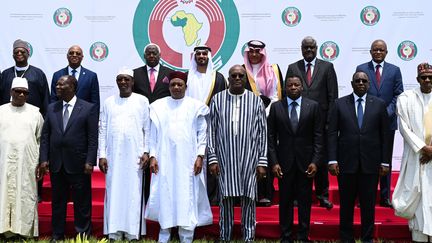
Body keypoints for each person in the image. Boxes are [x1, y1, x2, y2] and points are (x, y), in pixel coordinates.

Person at [145, 71, 212, 243]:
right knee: (165, 193)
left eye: (179, 84)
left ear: (185, 87)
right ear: (169, 87)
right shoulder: (159, 106)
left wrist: (200, 156)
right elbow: (153, 134)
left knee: (186, 194)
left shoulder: (195, 106)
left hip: (188, 161)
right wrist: (152, 156)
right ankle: (164, 234)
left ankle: (186, 235)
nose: (176, 87)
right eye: (173, 84)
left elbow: (202, 134)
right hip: (164, 159)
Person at [327, 71, 389, 243]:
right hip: (346, 164)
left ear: (368, 83)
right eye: (357, 81)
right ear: (352, 83)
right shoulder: (339, 104)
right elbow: (332, 133)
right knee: (346, 205)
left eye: (364, 81)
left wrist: (385, 161)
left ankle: (367, 238)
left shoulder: (379, 104)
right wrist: (332, 159)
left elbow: (385, 135)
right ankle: (346, 238)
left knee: (368, 206)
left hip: (371, 164)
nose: (361, 83)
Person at [208, 65, 267, 242]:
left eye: (241, 75)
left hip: (249, 159)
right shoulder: (217, 99)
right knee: (225, 198)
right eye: (233, 75)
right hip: (225, 158)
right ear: (228, 78)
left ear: (245, 78)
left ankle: (249, 236)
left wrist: (262, 162)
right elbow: (211, 131)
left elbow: (262, 133)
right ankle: (224, 235)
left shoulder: (255, 101)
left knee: (249, 199)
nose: (237, 78)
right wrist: (212, 158)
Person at [38, 75, 98, 241]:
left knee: (82, 203)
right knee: (58, 202)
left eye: (61, 84)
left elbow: (92, 138)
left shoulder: (87, 108)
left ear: (72, 87)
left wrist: (90, 161)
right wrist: (44, 158)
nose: (57, 87)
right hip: (57, 163)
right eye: (57, 84)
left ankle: (82, 235)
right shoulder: (52, 108)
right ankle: (57, 234)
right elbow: (45, 136)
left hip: (79, 164)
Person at [268, 74, 323, 243]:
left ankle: (303, 235)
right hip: (284, 164)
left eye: (296, 85)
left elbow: (318, 136)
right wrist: (274, 162)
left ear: (301, 87)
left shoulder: (313, 107)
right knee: (285, 202)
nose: (293, 87)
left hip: (306, 164)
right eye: (290, 85)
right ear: (285, 88)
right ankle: (286, 236)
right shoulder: (276, 107)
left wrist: (315, 161)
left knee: (305, 202)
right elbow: (270, 138)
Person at [285, 36, 338, 209]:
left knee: (320, 161)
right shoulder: (293, 67)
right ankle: (295, 196)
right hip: (297, 122)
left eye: (311, 48)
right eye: (305, 48)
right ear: (301, 49)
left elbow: (332, 96)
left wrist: (330, 122)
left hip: (320, 123)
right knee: (297, 159)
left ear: (317, 48)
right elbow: (287, 95)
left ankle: (322, 195)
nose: (308, 50)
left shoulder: (327, 67)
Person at [98, 68, 150, 241]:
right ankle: (114, 231)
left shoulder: (142, 101)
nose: (123, 82)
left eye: (126, 79)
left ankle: (132, 232)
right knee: (114, 191)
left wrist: (146, 152)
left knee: (133, 192)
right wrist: (102, 154)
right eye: (119, 79)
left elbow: (147, 129)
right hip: (113, 155)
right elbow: (103, 129)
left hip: (135, 156)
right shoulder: (109, 102)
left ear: (132, 82)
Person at [356, 39, 403, 208]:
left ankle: (384, 196)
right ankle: (363, 197)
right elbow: (359, 95)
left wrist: (384, 113)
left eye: (381, 50)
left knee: (385, 161)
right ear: (370, 52)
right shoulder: (362, 69)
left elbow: (398, 95)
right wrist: (371, 115)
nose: (378, 52)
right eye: (375, 50)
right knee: (365, 160)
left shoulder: (395, 71)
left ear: (386, 52)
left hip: (387, 124)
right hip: (366, 124)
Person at [392, 62, 432, 243]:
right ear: (417, 79)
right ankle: (419, 237)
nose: (427, 80)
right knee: (417, 194)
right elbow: (404, 128)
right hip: (417, 156)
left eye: (431, 77)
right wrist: (423, 148)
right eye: (424, 77)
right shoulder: (407, 97)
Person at [0, 77, 44, 239]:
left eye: (24, 92)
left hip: (27, 164)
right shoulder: (1, 111)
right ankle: (4, 231)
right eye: (17, 91)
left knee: (24, 195)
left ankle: (24, 231)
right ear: (11, 92)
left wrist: (41, 162)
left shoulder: (35, 113)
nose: (20, 95)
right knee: (3, 194)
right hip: (3, 163)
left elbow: (41, 139)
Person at [243, 40, 283, 206]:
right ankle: (250, 193)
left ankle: (266, 193)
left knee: (268, 155)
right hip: (249, 120)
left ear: (262, 53)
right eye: (251, 51)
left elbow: (276, 95)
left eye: (257, 52)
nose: (254, 54)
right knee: (250, 156)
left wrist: (266, 113)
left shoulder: (273, 69)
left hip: (270, 117)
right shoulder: (241, 70)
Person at [186, 45, 227, 206]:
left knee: (212, 159)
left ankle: (212, 196)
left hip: (212, 124)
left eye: (204, 53)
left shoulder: (218, 77)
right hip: (191, 124)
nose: (201, 56)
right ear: (194, 57)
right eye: (198, 54)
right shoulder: (187, 77)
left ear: (209, 56)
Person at [133, 43, 173, 203]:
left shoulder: (168, 74)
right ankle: (143, 201)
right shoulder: (135, 74)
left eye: (154, 53)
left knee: (160, 162)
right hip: (141, 125)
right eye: (148, 53)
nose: (151, 56)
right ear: (144, 56)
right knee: (143, 163)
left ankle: (160, 200)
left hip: (162, 124)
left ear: (160, 55)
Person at [0, 39, 50, 117]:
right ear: (13, 55)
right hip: (8, 117)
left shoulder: (38, 73)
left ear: (28, 54)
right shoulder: (5, 74)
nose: (19, 54)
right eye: (16, 52)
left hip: (32, 118)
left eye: (22, 52)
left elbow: (45, 99)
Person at [50, 45, 100, 109]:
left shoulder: (91, 76)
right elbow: (53, 99)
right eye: (71, 53)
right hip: (62, 114)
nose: (74, 55)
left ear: (82, 57)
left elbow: (95, 102)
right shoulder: (57, 75)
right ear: (67, 56)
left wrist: (93, 118)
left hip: (84, 116)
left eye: (78, 53)